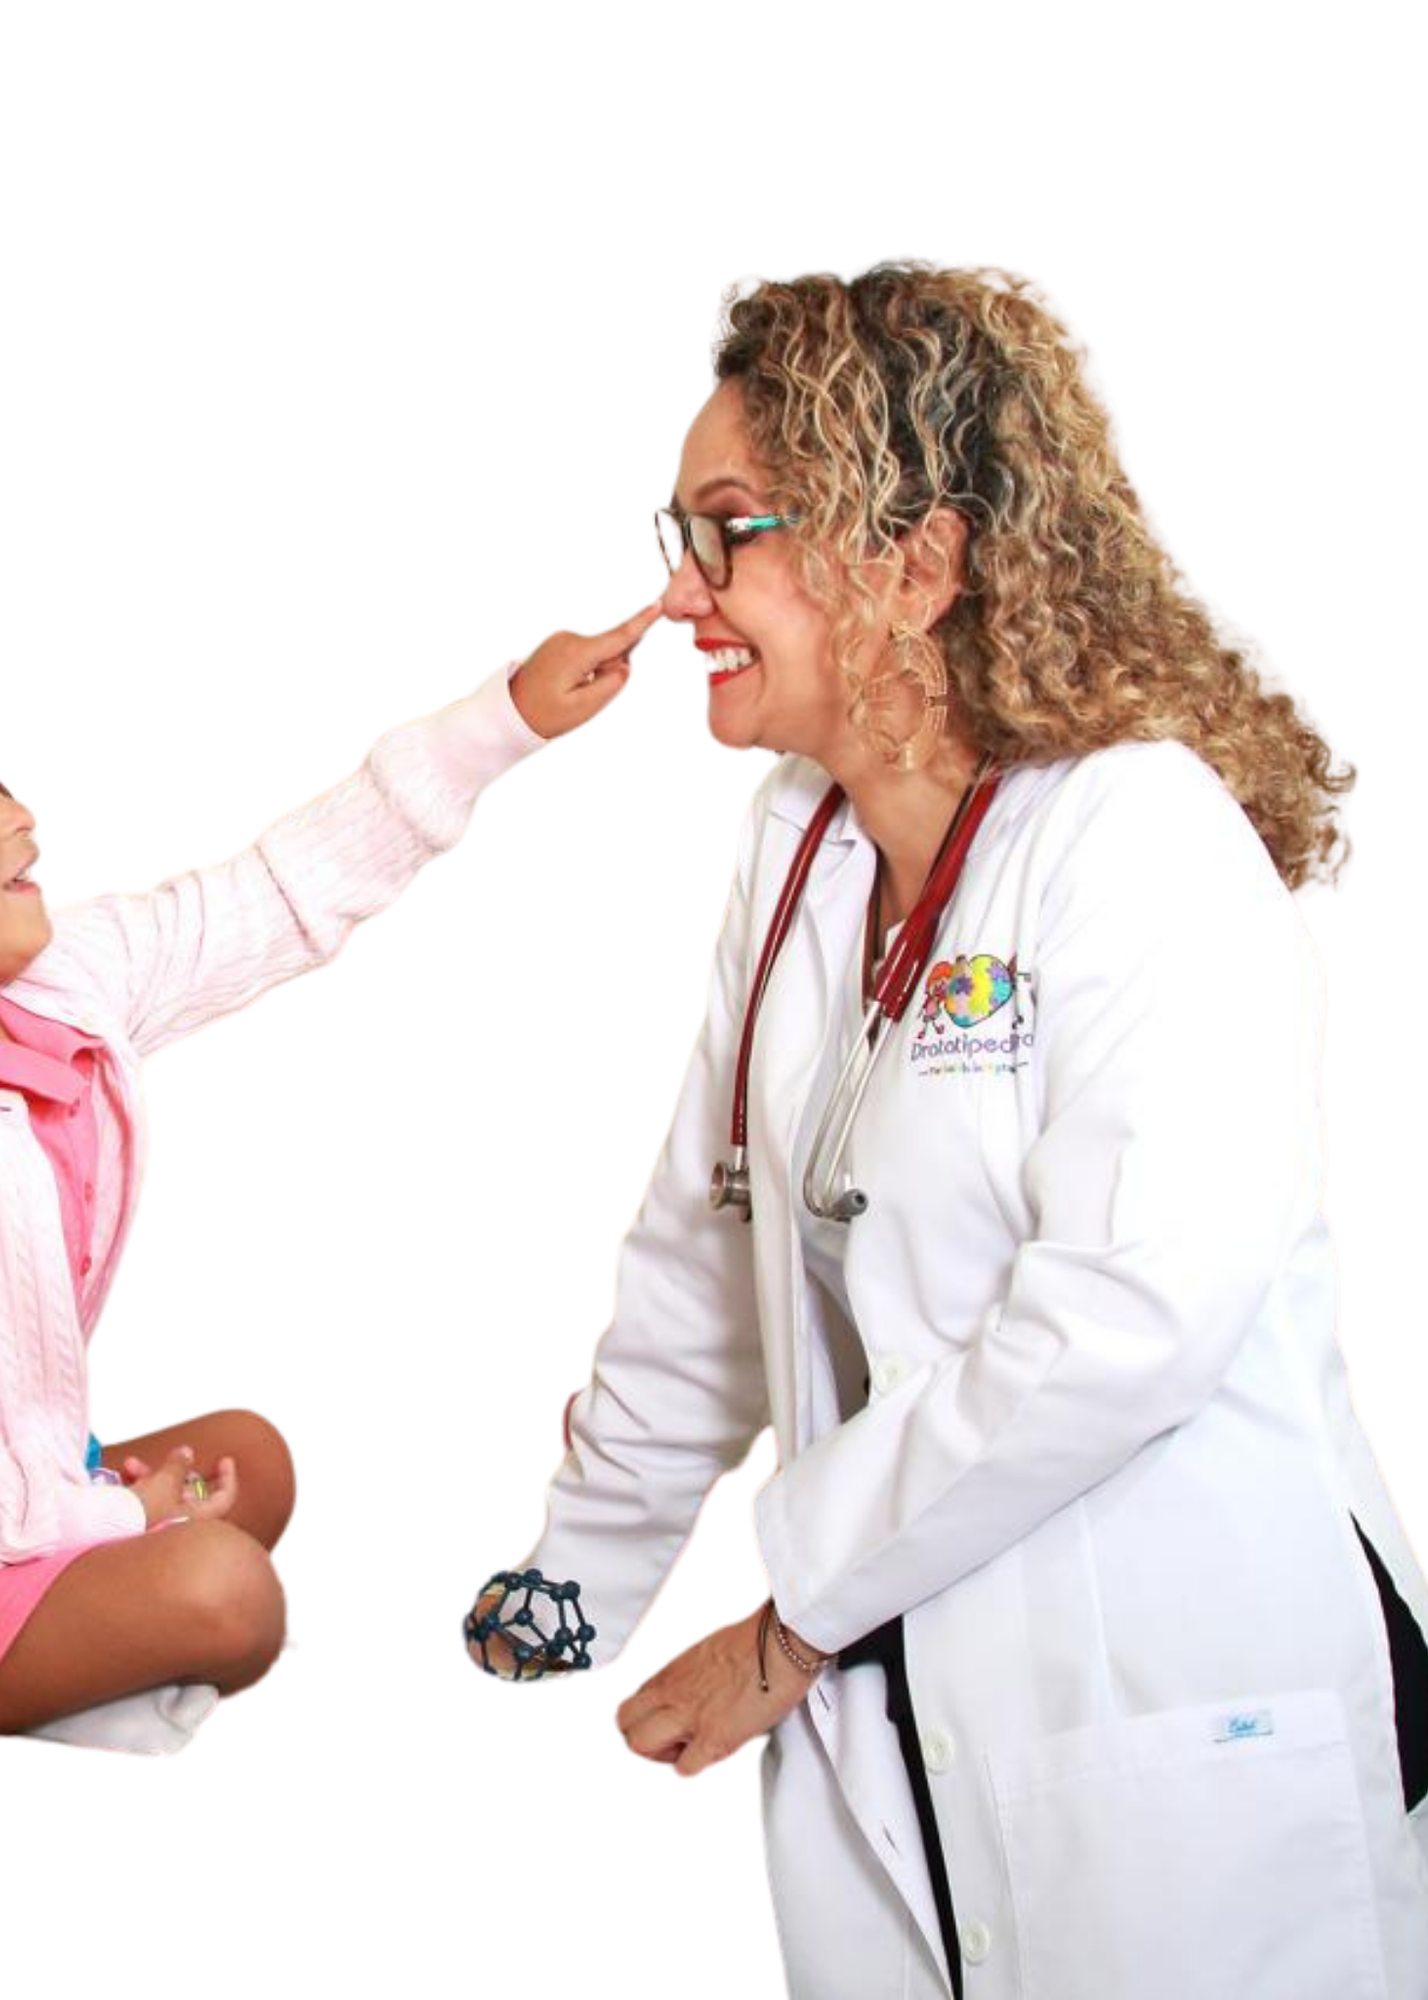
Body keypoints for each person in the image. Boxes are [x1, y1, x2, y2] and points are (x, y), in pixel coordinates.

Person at [459, 258, 1428, 1998]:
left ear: (918, 558)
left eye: (726, 531)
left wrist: (791, 1615)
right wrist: (571, 1588)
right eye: (673, 536)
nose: (680, 595)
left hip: (1169, 1705)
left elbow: (1129, 1323)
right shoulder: (793, 840)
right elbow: (706, 1240)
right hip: (882, 1724)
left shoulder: (1139, 841)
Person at [0, 612, 664, 1750]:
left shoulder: (62, 980)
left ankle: (93, 1631)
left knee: (253, 1452)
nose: (18, 814)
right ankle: (73, 1668)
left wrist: (503, 718)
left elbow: (276, 891)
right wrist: (101, 1512)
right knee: (230, 1596)